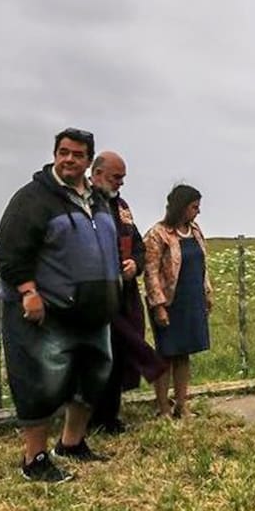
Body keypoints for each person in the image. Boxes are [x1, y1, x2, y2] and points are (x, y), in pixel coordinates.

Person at [0, 128, 122, 482]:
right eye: (62, 152)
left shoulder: (99, 199)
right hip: (48, 312)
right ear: (54, 154)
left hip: (94, 312)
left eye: (77, 154)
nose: (68, 159)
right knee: (41, 383)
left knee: (91, 378)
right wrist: (27, 291)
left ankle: (72, 443)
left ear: (87, 161)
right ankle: (34, 459)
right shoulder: (33, 199)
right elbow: (7, 251)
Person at [88, 152, 167, 434]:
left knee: (119, 354)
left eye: (123, 178)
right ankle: (89, 416)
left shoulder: (122, 206)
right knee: (97, 355)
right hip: (94, 294)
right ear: (96, 174)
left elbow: (137, 245)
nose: (120, 183)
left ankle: (110, 415)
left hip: (125, 292)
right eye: (115, 177)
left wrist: (136, 263)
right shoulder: (83, 204)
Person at [143, 184, 212, 419]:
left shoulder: (195, 231)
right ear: (181, 207)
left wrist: (207, 293)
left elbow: (202, 265)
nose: (198, 212)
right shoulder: (158, 234)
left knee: (184, 354)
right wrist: (159, 306)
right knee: (166, 354)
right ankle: (163, 408)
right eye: (194, 207)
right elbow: (151, 272)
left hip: (192, 299)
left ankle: (182, 404)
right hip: (170, 302)